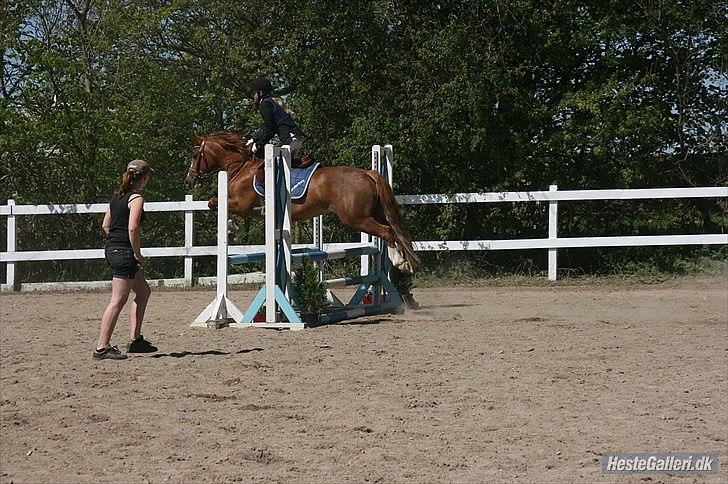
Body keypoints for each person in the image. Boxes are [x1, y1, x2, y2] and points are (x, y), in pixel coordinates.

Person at [94, 159, 158, 360]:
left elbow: (106, 224)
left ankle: (136, 340)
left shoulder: (117, 196)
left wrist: (115, 242)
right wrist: (136, 253)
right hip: (124, 252)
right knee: (117, 300)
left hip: (113, 249)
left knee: (143, 291)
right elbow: (133, 228)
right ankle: (102, 347)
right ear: (145, 177)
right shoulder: (136, 198)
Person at [247, 77, 308, 159]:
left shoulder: (265, 104)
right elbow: (271, 129)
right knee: (289, 165)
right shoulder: (270, 102)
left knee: (275, 164)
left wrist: (258, 144)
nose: (252, 97)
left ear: (260, 93)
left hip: (291, 137)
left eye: (253, 93)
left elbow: (270, 130)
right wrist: (255, 139)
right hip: (296, 137)